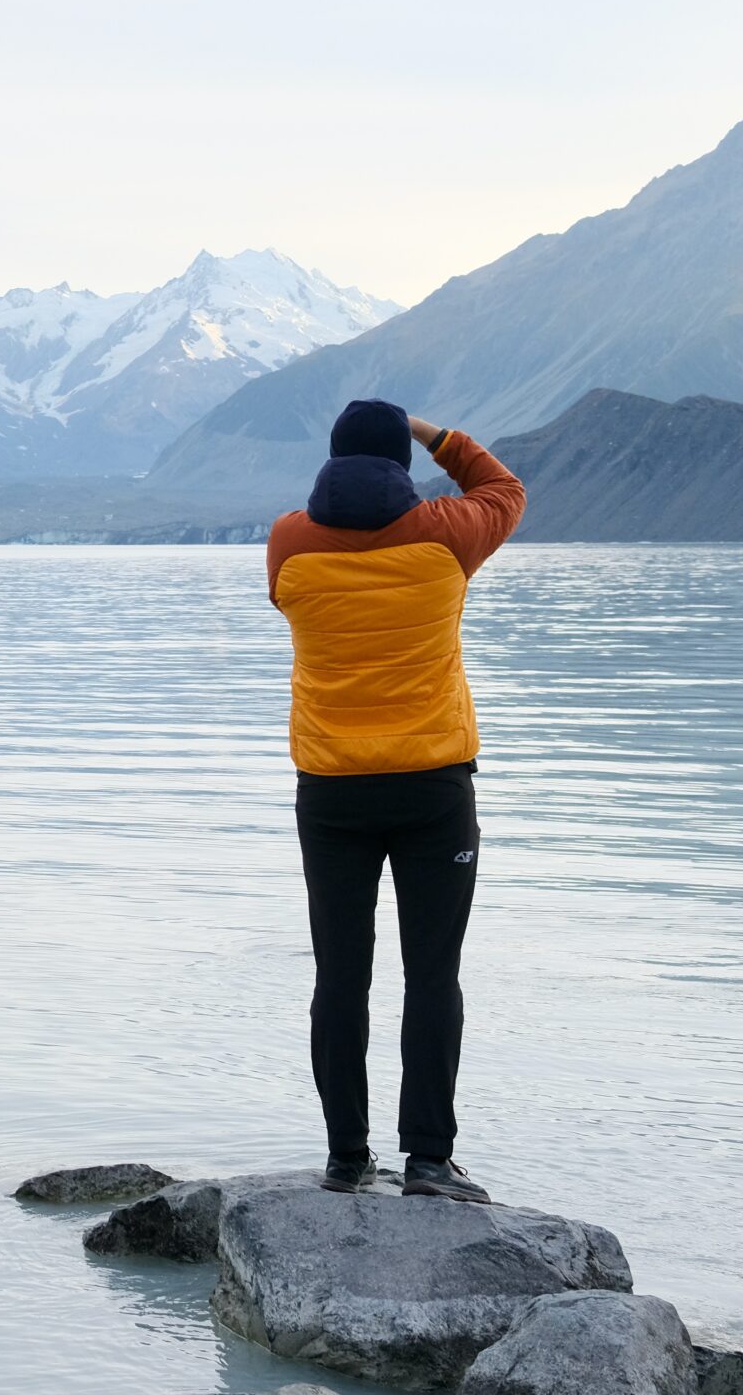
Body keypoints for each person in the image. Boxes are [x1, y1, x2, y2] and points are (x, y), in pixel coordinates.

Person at [266, 398, 526, 1202]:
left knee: (340, 977)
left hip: (331, 793)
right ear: (402, 462)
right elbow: (505, 489)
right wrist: (435, 433)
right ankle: (429, 1163)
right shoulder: (446, 535)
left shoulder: (289, 542)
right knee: (432, 976)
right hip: (432, 790)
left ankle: (346, 1158)